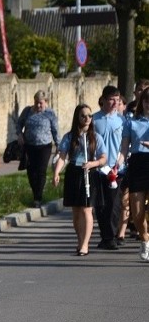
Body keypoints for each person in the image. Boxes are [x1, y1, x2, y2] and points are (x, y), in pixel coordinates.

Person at [53, 105, 107, 256]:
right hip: (74, 173)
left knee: (87, 209)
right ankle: (80, 240)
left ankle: (85, 244)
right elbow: (63, 157)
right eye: (83, 116)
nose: (87, 119)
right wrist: (57, 173)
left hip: (89, 173)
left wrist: (93, 164)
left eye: (90, 116)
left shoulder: (96, 137)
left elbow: (104, 158)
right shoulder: (69, 137)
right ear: (77, 117)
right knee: (76, 212)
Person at [117, 86, 149, 262]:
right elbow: (124, 148)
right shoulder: (131, 122)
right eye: (146, 100)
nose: (148, 104)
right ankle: (144, 238)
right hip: (137, 164)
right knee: (136, 213)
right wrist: (118, 162)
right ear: (141, 102)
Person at [91, 85, 125, 250]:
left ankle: (111, 236)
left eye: (117, 100)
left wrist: (119, 163)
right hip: (98, 168)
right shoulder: (94, 120)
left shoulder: (122, 120)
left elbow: (125, 144)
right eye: (111, 99)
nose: (114, 103)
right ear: (103, 100)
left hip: (116, 168)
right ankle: (105, 236)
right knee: (100, 204)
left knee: (114, 203)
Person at [16, 89, 59, 208]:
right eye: (36, 102)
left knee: (41, 171)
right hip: (29, 145)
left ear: (46, 102)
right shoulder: (27, 111)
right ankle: (35, 192)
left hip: (44, 147)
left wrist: (58, 146)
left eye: (41, 102)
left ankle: (38, 198)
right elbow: (19, 123)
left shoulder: (50, 113)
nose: (38, 105)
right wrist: (19, 134)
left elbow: (55, 131)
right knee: (31, 171)